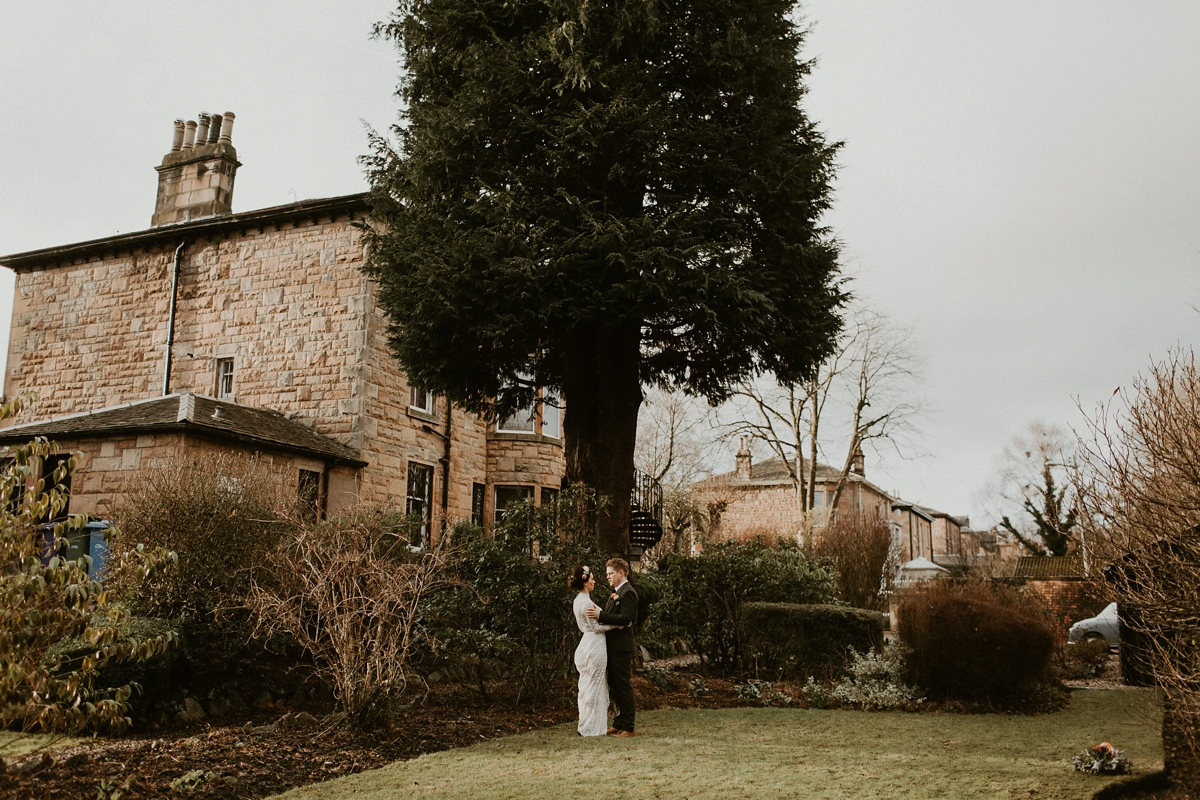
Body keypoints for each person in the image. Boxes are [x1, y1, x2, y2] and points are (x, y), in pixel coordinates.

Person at [585, 557, 639, 737]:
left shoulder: (628, 592)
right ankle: (619, 722)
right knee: (614, 686)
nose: (607, 577)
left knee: (623, 685)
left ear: (621, 573)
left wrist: (601, 615)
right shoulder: (615, 592)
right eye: (607, 574)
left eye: (610, 573)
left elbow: (626, 618)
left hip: (622, 647)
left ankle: (629, 727)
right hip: (613, 646)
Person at [570, 565, 615, 736]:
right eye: (592, 578)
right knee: (594, 684)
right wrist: (619, 623)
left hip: (586, 643)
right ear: (585, 581)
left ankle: (588, 723)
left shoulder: (578, 600)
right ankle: (592, 727)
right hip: (594, 644)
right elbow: (596, 627)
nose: (594, 581)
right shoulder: (586, 602)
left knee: (587, 684)